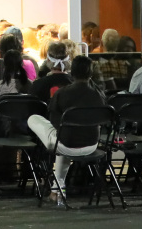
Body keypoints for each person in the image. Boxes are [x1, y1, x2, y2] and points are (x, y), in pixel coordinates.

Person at [27, 56, 106, 203]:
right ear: (91, 73)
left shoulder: (62, 93)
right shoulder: (99, 95)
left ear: (72, 72)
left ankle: (53, 187)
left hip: (66, 144)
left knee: (34, 119)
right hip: (92, 145)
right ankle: (57, 190)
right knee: (64, 140)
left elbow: (54, 122)